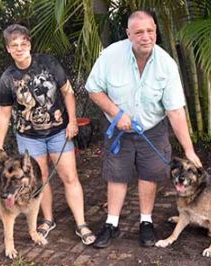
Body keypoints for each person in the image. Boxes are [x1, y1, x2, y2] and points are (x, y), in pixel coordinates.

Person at [85, 11, 202, 248]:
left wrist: (189, 150)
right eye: (139, 32)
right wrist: (116, 113)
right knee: (117, 175)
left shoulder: (166, 65)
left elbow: (176, 111)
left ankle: (146, 222)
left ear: (156, 32)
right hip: (119, 129)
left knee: (149, 174)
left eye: (150, 31)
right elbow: (93, 89)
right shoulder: (110, 56)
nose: (145, 37)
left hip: (153, 129)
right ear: (129, 34)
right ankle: (112, 224)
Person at [0, 24, 96, 245]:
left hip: (59, 132)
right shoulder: (8, 79)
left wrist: (73, 121)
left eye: (23, 44)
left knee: (70, 177)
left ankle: (81, 223)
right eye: (14, 46)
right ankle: (47, 220)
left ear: (29, 44)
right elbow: (4, 115)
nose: (20, 49)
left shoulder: (48, 63)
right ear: (8, 49)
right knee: (41, 180)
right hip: (29, 138)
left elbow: (68, 91)